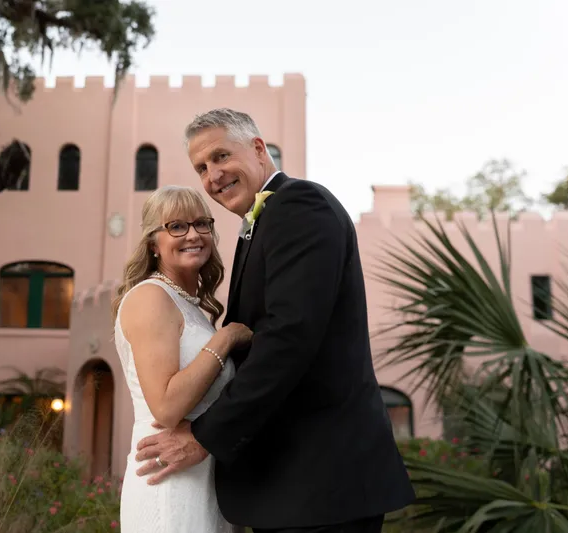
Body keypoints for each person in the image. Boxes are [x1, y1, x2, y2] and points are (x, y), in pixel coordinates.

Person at [134, 109, 415, 533]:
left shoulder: (300, 206)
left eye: (221, 156)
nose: (213, 175)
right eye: (202, 168)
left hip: (321, 479)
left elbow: (288, 338)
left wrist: (205, 436)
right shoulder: (262, 222)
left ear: (258, 149)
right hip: (288, 484)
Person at [112, 185, 252, 532]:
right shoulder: (150, 298)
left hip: (201, 476)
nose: (193, 234)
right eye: (176, 226)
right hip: (168, 480)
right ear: (153, 243)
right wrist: (227, 337)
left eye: (201, 224)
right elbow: (167, 407)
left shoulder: (190, 306)